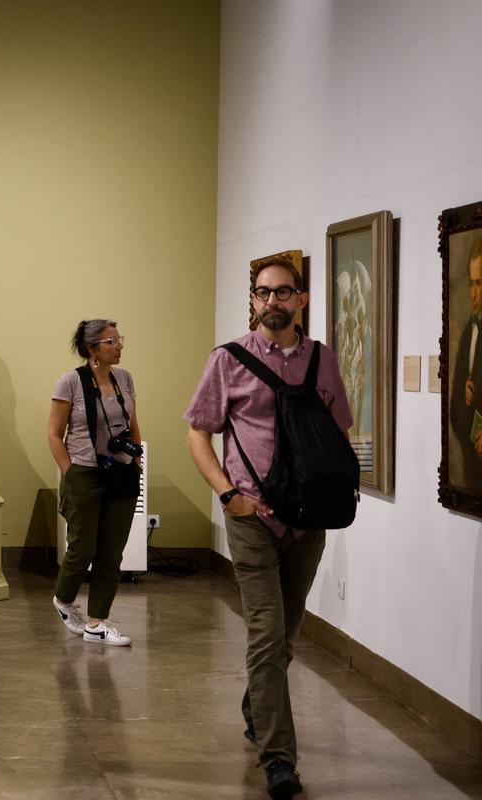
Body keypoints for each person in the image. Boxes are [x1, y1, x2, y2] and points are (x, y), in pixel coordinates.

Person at [185, 257, 352, 799]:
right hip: (252, 516)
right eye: (262, 293)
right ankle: (279, 758)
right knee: (266, 630)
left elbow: (339, 432)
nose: (271, 301)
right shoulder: (228, 360)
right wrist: (228, 495)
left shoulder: (323, 360)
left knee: (287, 630)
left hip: (309, 521)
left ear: (301, 300)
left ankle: (258, 706)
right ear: (253, 300)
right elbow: (198, 434)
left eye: (282, 292)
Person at [47, 318, 141, 647]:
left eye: (119, 339)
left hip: (122, 473)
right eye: (111, 341)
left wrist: (136, 460)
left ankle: (97, 623)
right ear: (92, 349)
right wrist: (70, 472)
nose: (119, 346)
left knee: (111, 553)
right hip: (85, 474)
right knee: (82, 547)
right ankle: (63, 598)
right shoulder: (70, 382)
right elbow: (54, 434)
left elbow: (133, 425)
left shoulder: (124, 379)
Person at [450, 238, 482, 488]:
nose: (474, 293)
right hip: (472, 465)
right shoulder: (468, 334)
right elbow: (454, 409)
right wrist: (463, 391)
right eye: (471, 283)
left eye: (479, 283)